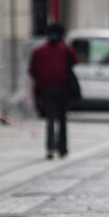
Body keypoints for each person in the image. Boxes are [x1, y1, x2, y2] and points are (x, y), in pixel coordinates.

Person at [29, 23, 77, 160]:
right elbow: (74, 61)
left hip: (46, 90)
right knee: (62, 119)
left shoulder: (39, 51)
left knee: (50, 119)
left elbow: (32, 70)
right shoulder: (66, 50)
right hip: (62, 89)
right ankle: (63, 148)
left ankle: (50, 148)